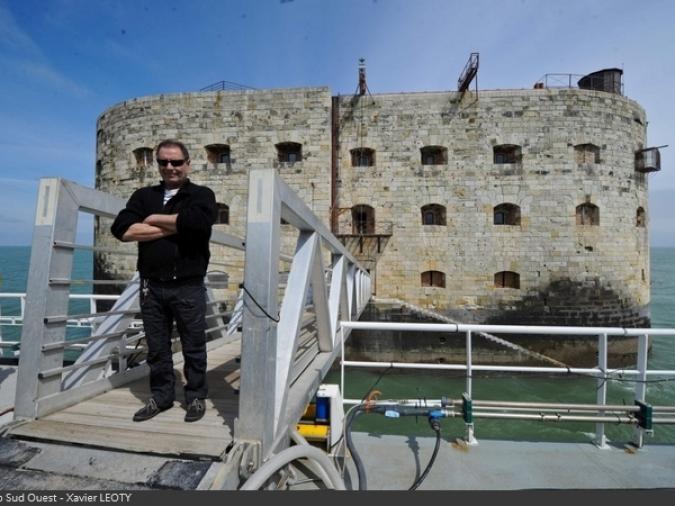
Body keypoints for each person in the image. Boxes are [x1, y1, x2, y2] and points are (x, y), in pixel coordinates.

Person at [111, 139, 216, 422]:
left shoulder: (201, 194)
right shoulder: (143, 195)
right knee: (157, 348)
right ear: (158, 164)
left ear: (188, 164)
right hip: (152, 285)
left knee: (194, 346)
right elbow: (121, 229)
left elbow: (199, 224)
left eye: (177, 162)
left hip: (187, 284)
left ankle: (195, 396)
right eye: (164, 162)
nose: (170, 167)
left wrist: (154, 218)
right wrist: (176, 226)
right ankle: (161, 397)